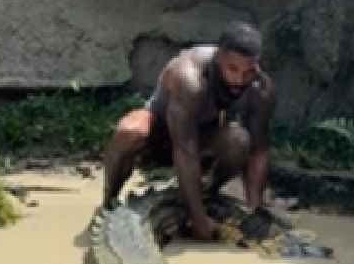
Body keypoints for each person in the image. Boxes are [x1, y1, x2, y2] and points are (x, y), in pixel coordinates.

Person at [102, 21, 276, 241]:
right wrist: (199, 221)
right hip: (159, 135)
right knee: (130, 131)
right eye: (232, 69)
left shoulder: (260, 88)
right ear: (219, 57)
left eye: (249, 71)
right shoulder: (190, 77)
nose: (239, 79)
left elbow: (259, 150)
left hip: (204, 137)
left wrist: (255, 209)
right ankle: (108, 201)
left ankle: (208, 193)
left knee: (239, 140)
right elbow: (184, 151)